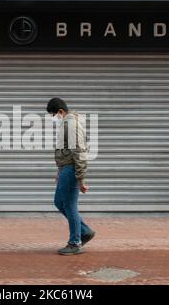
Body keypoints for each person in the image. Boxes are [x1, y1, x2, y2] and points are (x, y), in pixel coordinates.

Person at [46, 98, 95, 256]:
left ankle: (75, 242)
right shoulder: (67, 123)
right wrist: (59, 171)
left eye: (54, 115)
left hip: (71, 169)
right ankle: (84, 231)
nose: (54, 118)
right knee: (59, 202)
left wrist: (81, 179)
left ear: (61, 112)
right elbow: (65, 151)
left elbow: (79, 152)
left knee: (70, 206)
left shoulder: (71, 124)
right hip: (66, 170)